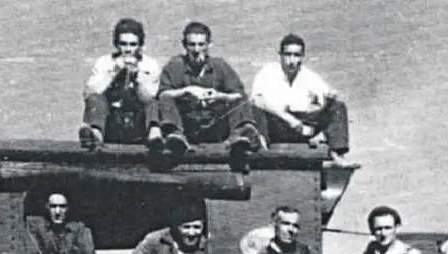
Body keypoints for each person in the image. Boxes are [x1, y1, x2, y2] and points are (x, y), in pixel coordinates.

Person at [153, 22, 263, 170]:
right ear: (184, 45)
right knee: (166, 99)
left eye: (201, 44)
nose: (196, 50)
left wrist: (219, 96)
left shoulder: (220, 66)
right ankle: (176, 138)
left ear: (209, 45)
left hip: (214, 123)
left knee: (240, 100)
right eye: (191, 45)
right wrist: (186, 91)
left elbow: (239, 94)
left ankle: (239, 138)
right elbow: (162, 94)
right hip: (187, 126)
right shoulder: (174, 66)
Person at [250, 33, 352, 164]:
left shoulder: (310, 77)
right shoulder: (269, 72)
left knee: (337, 106)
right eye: (287, 55)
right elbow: (257, 100)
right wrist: (289, 119)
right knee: (254, 109)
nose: (292, 60)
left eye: (296, 55)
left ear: (302, 57)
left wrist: (327, 101)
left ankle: (337, 154)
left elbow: (326, 97)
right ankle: (262, 150)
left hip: (302, 127)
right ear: (280, 56)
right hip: (277, 125)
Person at [79, 18, 162, 149]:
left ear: (140, 46)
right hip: (112, 119)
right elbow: (90, 92)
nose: (128, 49)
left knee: (153, 102)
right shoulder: (104, 62)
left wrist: (138, 78)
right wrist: (113, 73)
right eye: (123, 44)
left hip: (138, 121)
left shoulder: (150, 65)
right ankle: (95, 135)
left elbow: (151, 97)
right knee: (95, 98)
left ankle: (155, 137)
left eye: (133, 45)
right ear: (117, 44)